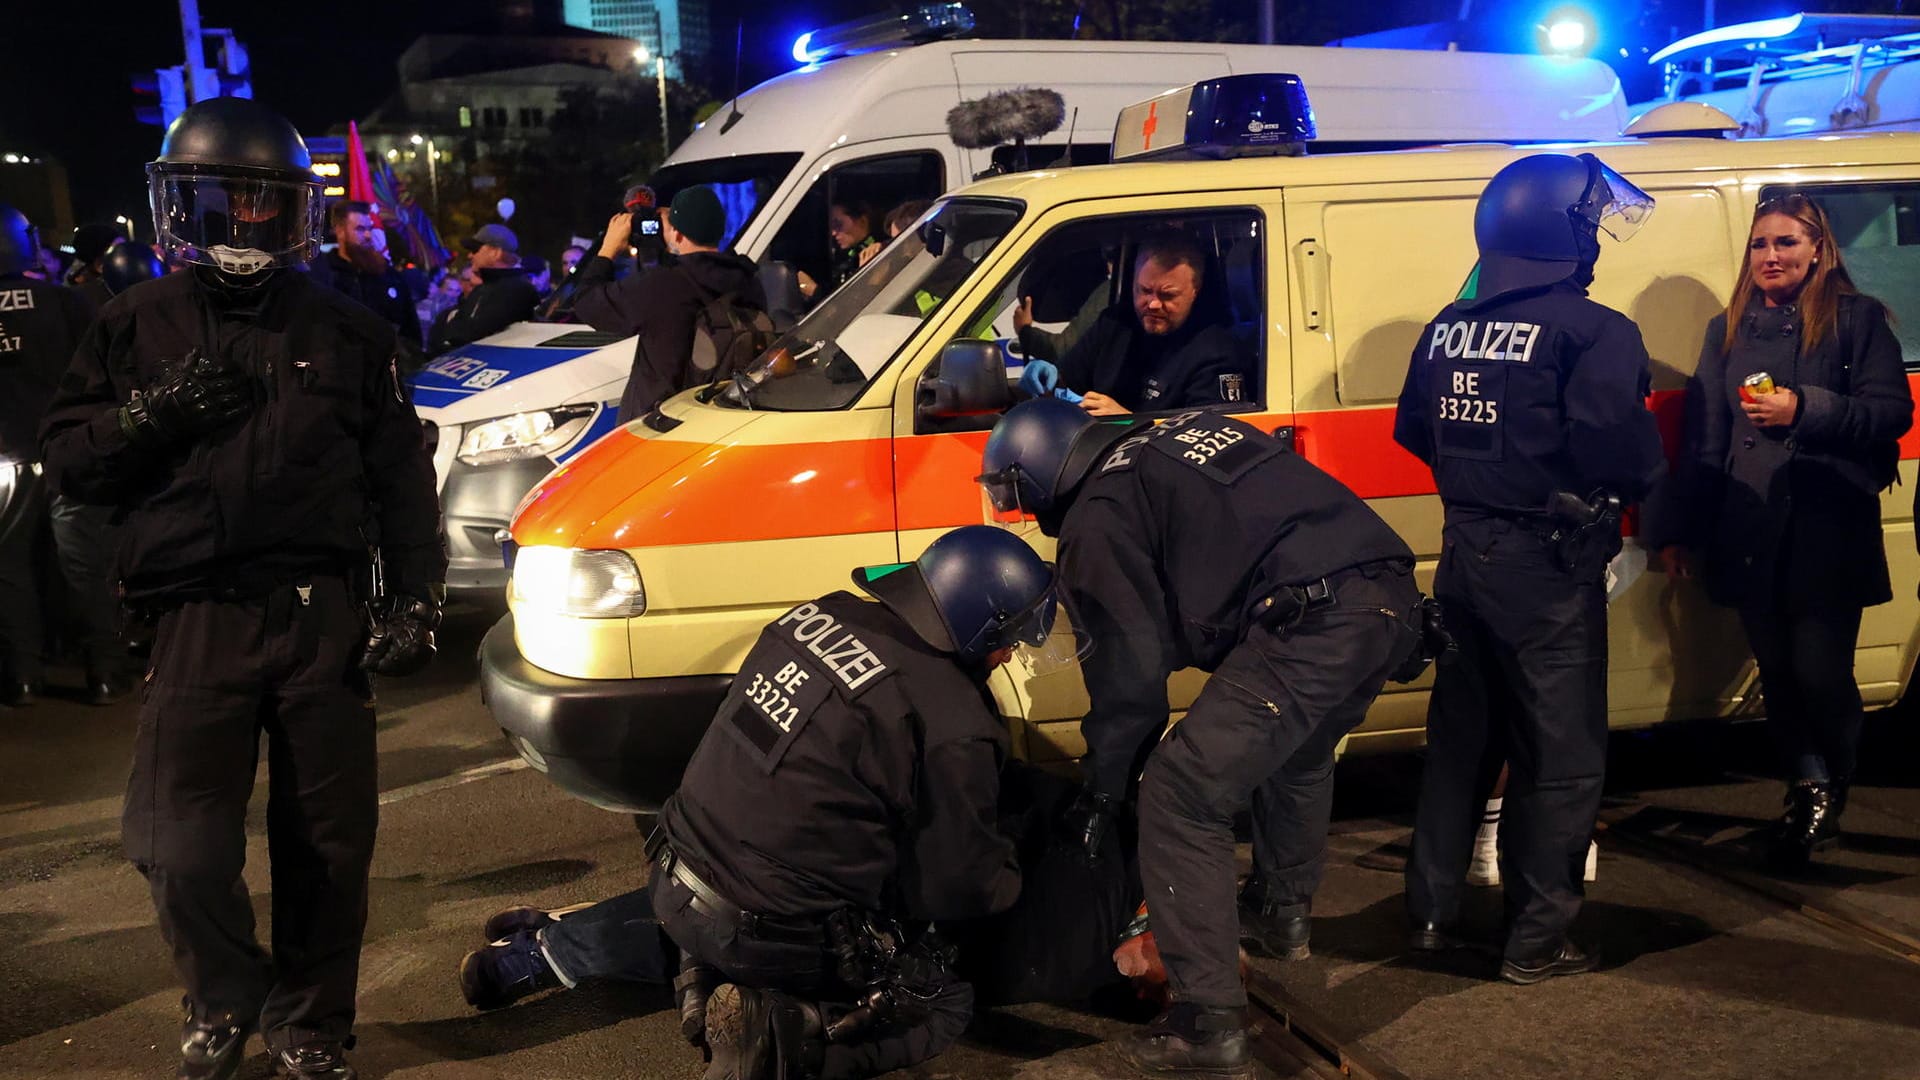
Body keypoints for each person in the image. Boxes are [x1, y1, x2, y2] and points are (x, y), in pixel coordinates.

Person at [38, 97, 446, 1080]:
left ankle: (311, 1024)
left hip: (319, 612)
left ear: (293, 211)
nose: (245, 222)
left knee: (329, 844)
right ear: (185, 205)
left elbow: (400, 475)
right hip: (195, 616)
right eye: (226, 201)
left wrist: (414, 595)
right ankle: (224, 996)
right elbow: (69, 460)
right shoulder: (132, 324)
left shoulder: (348, 327)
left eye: (266, 203)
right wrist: (151, 416)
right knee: (177, 846)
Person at [464, 527, 1067, 1077]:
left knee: (722, 886)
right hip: (766, 931)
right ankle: (781, 1037)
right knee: (943, 1003)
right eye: (1008, 639)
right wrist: (1012, 875)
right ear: (979, 628)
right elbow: (955, 886)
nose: (1010, 654)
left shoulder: (819, 616)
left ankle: (533, 958)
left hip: (674, 869)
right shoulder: (953, 721)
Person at [978, 398, 1424, 1077]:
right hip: (1390, 599)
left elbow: (1130, 681)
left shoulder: (1099, 512)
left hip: (1311, 620)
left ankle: (1207, 1021)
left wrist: (1105, 791)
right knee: (1296, 754)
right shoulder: (1176, 437)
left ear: (1041, 473)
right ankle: (1281, 914)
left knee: (1181, 791)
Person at [1394, 152, 1667, 985]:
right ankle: (1538, 940)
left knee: (1460, 745)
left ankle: (1433, 918)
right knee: (1561, 756)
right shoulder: (1596, 331)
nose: (1595, 238)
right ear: (1560, 233)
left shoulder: (1447, 325)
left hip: (1463, 558)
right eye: (1588, 223)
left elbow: (1415, 433)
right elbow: (1617, 448)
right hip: (1547, 568)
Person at [1645, 192, 1913, 867]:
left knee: (1820, 671)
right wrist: (1678, 529)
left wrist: (1805, 409)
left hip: (1827, 522)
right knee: (1778, 672)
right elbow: (1705, 437)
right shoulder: (1726, 327)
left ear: (1818, 248)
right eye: (1761, 245)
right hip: (1750, 524)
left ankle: (1836, 776)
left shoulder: (1858, 320)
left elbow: (1890, 414)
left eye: (1786, 243)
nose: (1771, 256)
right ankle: (1810, 785)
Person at [47, 241, 168, 706]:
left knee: (88, 572)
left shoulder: (84, 315)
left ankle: (106, 667)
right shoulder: (158, 321)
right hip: (125, 461)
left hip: (94, 462)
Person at [0, 204, 93, 707]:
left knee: (9, 569)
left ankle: (25, 677)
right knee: (81, 563)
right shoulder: (63, 302)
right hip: (67, 453)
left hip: (3, 462)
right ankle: (105, 673)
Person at [573, 186, 766, 421]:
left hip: (661, 424)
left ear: (677, 235)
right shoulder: (747, 278)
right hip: (723, 419)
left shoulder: (664, 284)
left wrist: (608, 249)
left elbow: (586, 302)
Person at [1018, 232, 1251, 416]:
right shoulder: (1116, 324)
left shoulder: (1217, 353)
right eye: (1145, 291)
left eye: (1168, 295)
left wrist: (1128, 421)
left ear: (1194, 291)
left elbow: (1210, 441)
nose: (1153, 304)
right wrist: (1050, 379)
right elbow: (1069, 378)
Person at [306, 201, 423, 370]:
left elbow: (411, 329)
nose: (368, 235)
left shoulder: (389, 276)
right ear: (340, 231)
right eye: (360, 229)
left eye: (369, 228)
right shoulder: (325, 277)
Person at [429, 223, 539, 354]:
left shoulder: (516, 290)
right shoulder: (484, 288)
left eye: (475, 249)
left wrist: (452, 338)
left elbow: (475, 333)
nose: (470, 255)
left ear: (495, 253)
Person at [64, 222, 129, 311]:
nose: (126, 255)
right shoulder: (84, 298)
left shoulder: (122, 285)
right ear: (99, 262)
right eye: (117, 251)